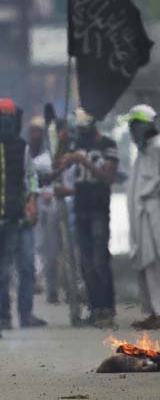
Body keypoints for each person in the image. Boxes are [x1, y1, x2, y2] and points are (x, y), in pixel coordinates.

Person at [0, 99, 43, 339]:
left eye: (9, 115)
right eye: (1, 114)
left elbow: (31, 177)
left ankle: (9, 314)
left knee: (6, 271)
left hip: (13, 219)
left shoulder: (21, 147)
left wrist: (32, 201)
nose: (5, 119)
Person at [65, 108, 119, 328]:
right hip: (81, 208)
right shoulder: (75, 145)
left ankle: (107, 307)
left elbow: (108, 176)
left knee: (99, 260)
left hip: (98, 208)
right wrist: (61, 145)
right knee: (86, 263)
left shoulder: (108, 145)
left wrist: (84, 161)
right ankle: (95, 307)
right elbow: (58, 166)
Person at [123, 105, 160, 330]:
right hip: (142, 218)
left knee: (155, 262)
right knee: (147, 264)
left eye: (135, 125)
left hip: (154, 216)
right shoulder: (144, 151)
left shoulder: (157, 147)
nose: (132, 130)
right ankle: (153, 310)